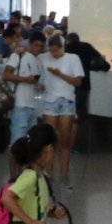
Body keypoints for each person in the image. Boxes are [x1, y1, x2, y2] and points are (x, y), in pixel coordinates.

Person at [35, 33, 84, 180]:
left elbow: (78, 82)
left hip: (67, 100)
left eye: (57, 50)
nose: (54, 54)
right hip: (50, 100)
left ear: (63, 48)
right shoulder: (43, 58)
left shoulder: (73, 58)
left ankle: (64, 176)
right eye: (51, 51)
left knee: (65, 142)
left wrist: (60, 74)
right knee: (49, 141)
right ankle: (48, 175)